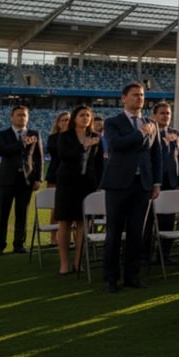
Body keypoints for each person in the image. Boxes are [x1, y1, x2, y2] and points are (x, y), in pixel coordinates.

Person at [100, 81, 163, 293]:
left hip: (143, 184)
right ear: (124, 98)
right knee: (114, 232)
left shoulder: (150, 123)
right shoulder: (113, 122)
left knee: (138, 232)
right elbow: (116, 145)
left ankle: (132, 276)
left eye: (142, 95)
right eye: (135, 95)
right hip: (118, 184)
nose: (139, 98)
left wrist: (156, 182)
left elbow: (156, 154)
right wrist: (141, 133)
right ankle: (110, 278)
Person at [54, 105, 103, 275]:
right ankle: (64, 263)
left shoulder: (95, 136)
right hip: (67, 184)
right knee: (65, 222)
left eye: (88, 115)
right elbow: (64, 155)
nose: (85, 118)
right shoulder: (65, 136)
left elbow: (99, 163)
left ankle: (78, 262)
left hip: (87, 184)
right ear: (75, 118)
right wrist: (83, 146)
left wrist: (99, 183)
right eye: (82, 115)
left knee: (84, 223)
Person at [0, 104, 42, 256]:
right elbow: (2, 151)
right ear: (11, 117)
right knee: (2, 214)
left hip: (26, 180)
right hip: (6, 179)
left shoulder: (35, 133)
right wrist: (22, 143)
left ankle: (19, 245)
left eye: (24, 115)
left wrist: (38, 178)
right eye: (19, 114)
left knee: (22, 214)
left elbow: (39, 158)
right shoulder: (3, 134)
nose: (22, 117)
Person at [149, 101, 179, 263]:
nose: (166, 116)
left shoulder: (175, 133)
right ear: (154, 115)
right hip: (152, 181)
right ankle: (145, 255)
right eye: (162, 113)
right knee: (149, 221)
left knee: (168, 221)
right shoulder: (148, 131)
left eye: (168, 113)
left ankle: (164, 255)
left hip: (171, 182)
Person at [44, 110, 69, 244]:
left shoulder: (77, 136)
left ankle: (68, 237)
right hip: (55, 175)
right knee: (55, 207)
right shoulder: (53, 138)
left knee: (71, 208)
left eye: (68, 120)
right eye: (63, 120)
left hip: (72, 176)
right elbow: (57, 153)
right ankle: (54, 238)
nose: (66, 122)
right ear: (58, 123)